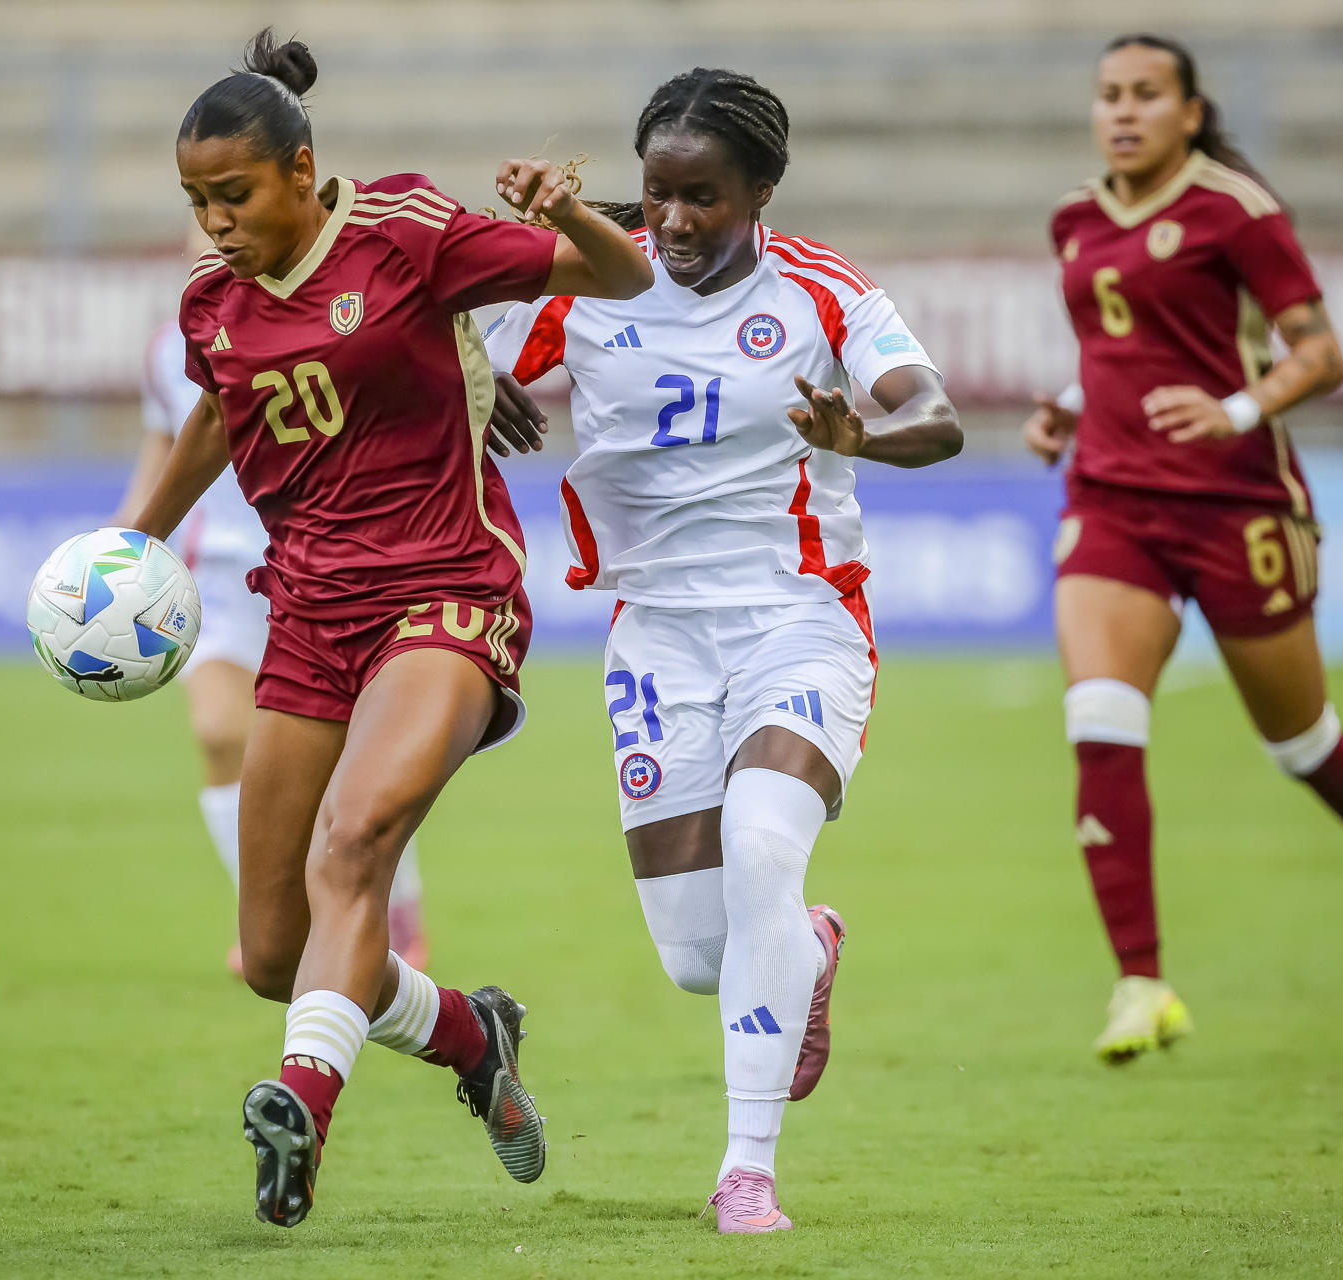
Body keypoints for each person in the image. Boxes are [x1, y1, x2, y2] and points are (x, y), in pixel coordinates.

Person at [127, 30, 652, 1228]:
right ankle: (472, 1032)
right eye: (196, 199)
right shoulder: (211, 304)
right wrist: (143, 539)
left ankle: (301, 1106)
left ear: (302, 171)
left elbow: (618, 279)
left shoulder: (406, 229)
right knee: (273, 952)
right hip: (309, 616)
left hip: (448, 594)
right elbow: (221, 409)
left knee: (354, 839)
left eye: (236, 194)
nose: (214, 220)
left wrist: (568, 214)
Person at [484, 68, 960, 1233]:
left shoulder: (823, 289)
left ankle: (747, 1170)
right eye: (656, 196)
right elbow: (447, 346)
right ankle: (811, 943)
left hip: (800, 616)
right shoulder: (586, 283)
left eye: (704, 197)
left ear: (761, 191)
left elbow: (935, 417)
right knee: (703, 955)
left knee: (760, 847)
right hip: (655, 634)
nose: (676, 223)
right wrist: (477, 373)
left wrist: (864, 433)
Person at [1023, 33, 1343, 1065]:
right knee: (1099, 715)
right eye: (1107, 95)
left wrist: (1234, 409)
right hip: (1113, 498)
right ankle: (1142, 981)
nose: (1122, 112)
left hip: (1236, 504)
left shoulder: (1235, 211)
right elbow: (1118, 348)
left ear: (1190, 110)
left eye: (1144, 95)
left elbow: (1320, 352)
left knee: (1300, 743)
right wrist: (1072, 408)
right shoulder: (1076, 219)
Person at [116, 226, 428, 979]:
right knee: (220, 729)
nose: (217, 232)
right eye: (199, 215)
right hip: (222, 580)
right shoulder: (173, 347)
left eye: (232, 207)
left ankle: (398, 916)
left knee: (355, 764)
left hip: (319, 570)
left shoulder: (330, 317)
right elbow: (162, 461)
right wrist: (118, 553)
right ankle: (267, 911)